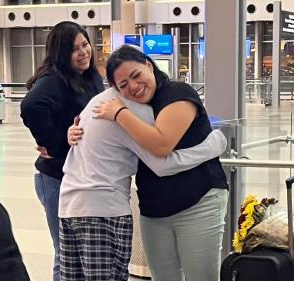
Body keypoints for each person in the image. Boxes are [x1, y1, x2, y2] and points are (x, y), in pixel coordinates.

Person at [59, 86, 227, 281]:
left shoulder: (96, 102)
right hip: (103, 210)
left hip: (69, 206)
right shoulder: (126, 111)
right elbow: (162, 163)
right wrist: (215, 144)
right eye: (126, 81)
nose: (134, 86)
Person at [92, 45, 229, 281]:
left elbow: (162, 144)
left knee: (201, 277)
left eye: (136, 75)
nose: (133, 87)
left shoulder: (177, 93)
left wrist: (119, 114)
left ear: (148, 65)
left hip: (199, 201)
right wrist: (72, 133)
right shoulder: (135, 107)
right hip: (154, 208)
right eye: (123, 85)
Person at [20, 21, 104, 281]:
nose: (83, 52)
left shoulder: (88, 76)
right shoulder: (55, 80)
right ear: (60, 53)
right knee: (66, 254)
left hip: (79, 177)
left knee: (78, 253)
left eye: (85, 44)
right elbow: (31, 106)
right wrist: (56, 144)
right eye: (74, 49)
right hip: (56, 179)